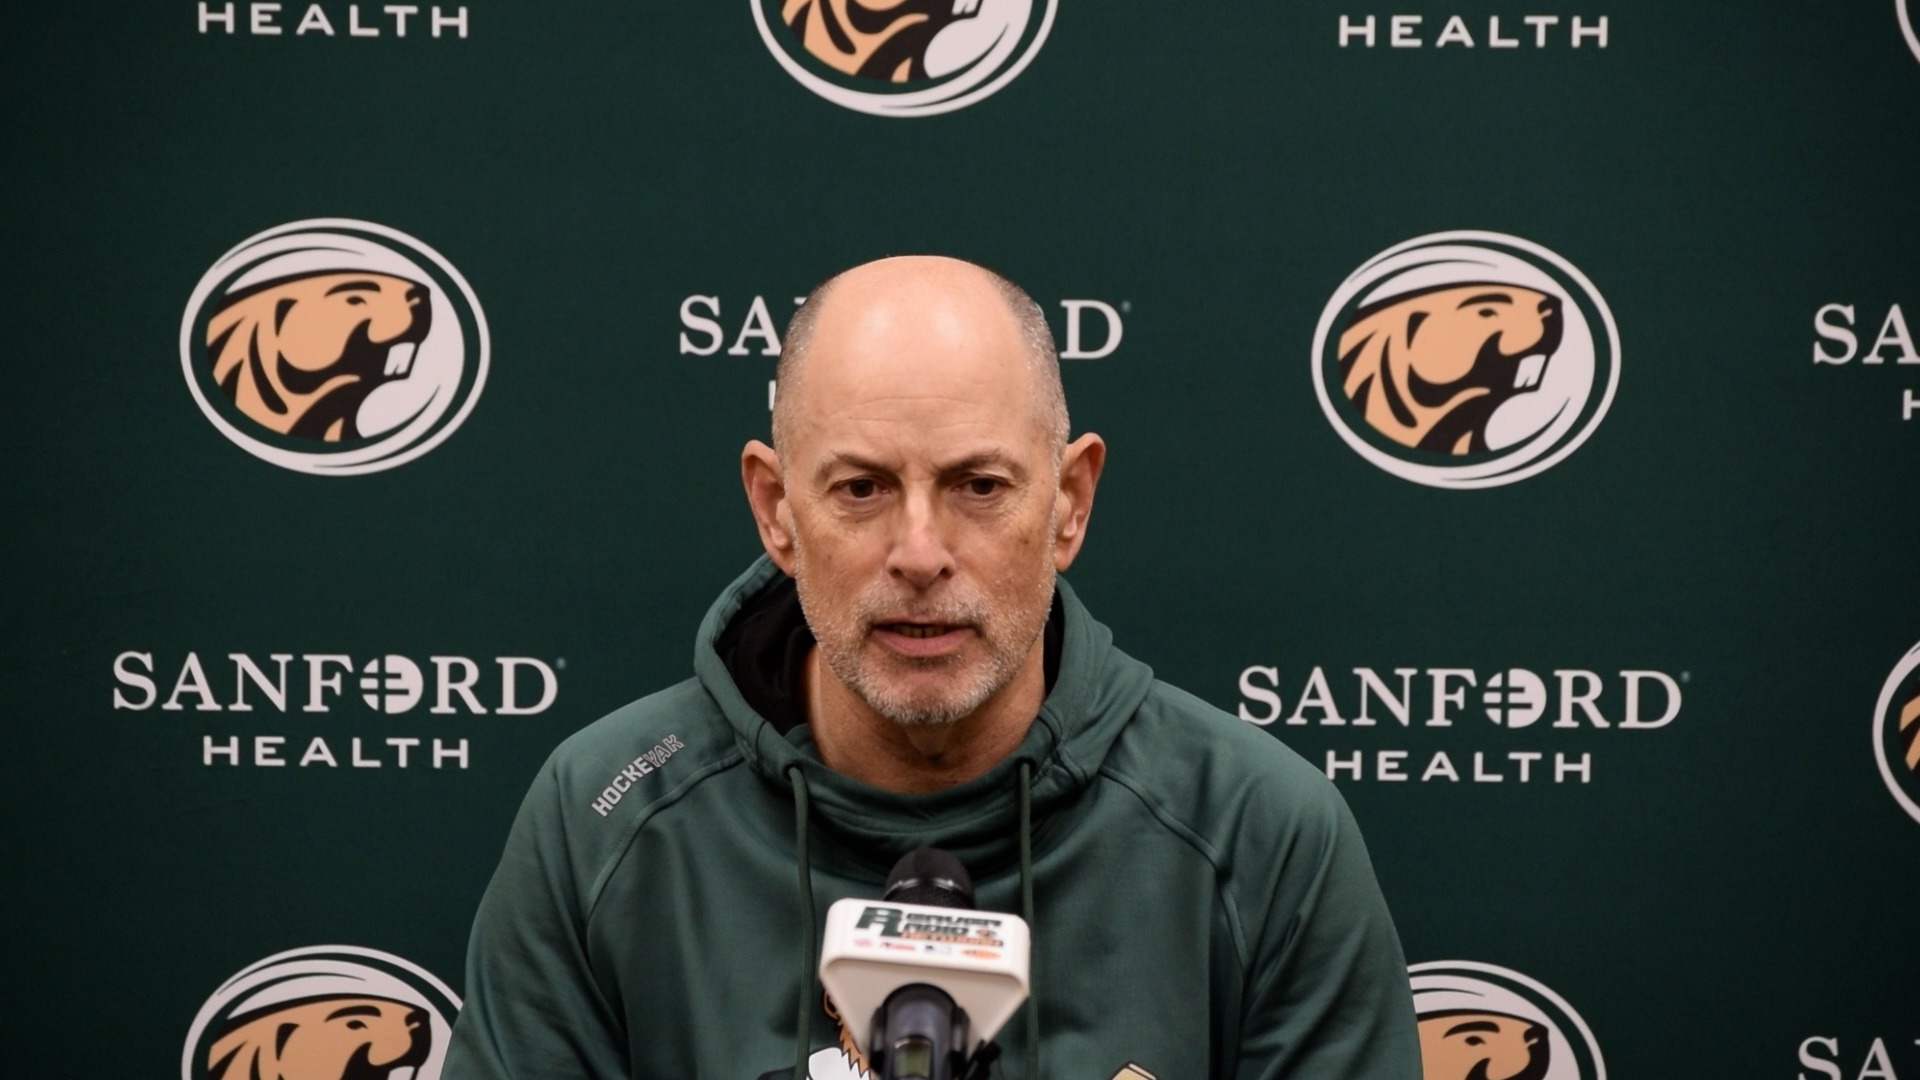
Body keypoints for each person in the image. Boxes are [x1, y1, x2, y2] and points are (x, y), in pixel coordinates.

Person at [444, 256, 1420, 1080]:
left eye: (978, 486)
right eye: (862, 488)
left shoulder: (1264, 834)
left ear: (1070, 503)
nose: (919, 552)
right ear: (778, 510)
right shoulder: (605, 817)